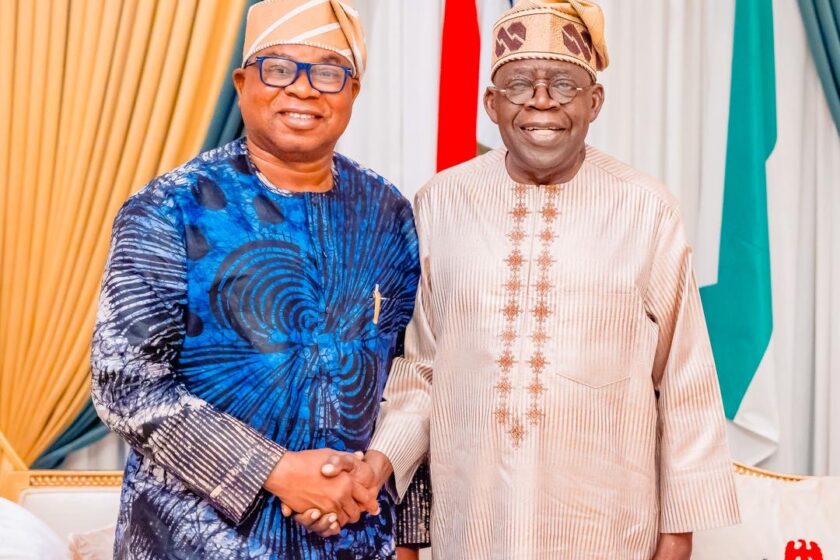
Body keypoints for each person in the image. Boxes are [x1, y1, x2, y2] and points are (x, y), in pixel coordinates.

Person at [329, 1, 741, 558]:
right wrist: (379, 465)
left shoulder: (647, 210)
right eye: (520, 84)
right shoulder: (441, 203)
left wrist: (679, 530)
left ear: (595, 101)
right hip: (474, 522)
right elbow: (421, 370)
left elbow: (685, 378)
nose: (541, 100)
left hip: (607, 528)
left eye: (564, 85)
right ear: (492, 104)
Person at [90, 0, 426, 557]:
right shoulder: (169, 208)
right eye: (278, 69)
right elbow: (125, 383)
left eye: (328, 73)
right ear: (242, 84)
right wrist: (276, 471)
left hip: (353, 539)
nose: (303, 89)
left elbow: (414, 373)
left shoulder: (387, 212)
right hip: (196, 540)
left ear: (353, 92)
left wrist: (409, 535)